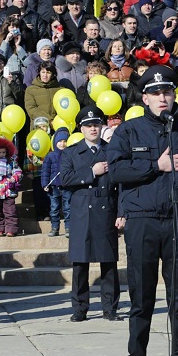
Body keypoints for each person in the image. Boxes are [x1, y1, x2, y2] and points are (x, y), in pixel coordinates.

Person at [107, 65, 178, 356]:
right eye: (155, 93)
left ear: (174, 94)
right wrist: (157, 165)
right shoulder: (129, 130)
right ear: (145, 98)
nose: (161, 97)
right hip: (143, 221)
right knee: (141, 300)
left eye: (166, 91)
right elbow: (116, 171)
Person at [59, 106, 121, 322]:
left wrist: (121, 212)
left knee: (109, 263)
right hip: (82, 212)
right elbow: (64, 179)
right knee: (80, 264)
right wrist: (91, 172)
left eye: (96, 125)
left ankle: (110, 308)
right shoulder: (71, 152)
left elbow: (121, 184)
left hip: (106, 210)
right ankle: (79, 308)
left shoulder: (112, 150)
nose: (93, 129)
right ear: (81, 128)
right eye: (88, 125)